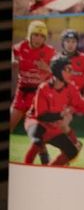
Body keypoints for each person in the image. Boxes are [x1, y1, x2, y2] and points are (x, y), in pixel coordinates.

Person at [24, 55, 84, 166]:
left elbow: (81, 103)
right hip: (35, 122)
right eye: (68, 69)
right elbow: (41, 116)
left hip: (53, 127)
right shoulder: (43, 88)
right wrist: (60, 115)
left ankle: (50, 170)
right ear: (57, 70)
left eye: (72, 69)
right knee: (37, 139)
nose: (71, 73)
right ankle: (26, 168)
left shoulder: (71, 87)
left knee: (72, 152)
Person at [12, 20, 57, 149]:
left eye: (42, 36)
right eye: (36, 34)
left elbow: (60, 73)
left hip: (38, 95)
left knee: (39, 130)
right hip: (22, 92)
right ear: (29, 34)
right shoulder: (19, 47)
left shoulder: (50, 51)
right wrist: (13, 62)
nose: (39, 39)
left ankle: (43, 154)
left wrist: (47, 68)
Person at [58, 29, 84, 96]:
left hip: (78, 97)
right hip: (61, 97)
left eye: (73, 42)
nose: (70, 44)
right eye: (68, 41)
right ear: (63, 43)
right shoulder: (57, 59)